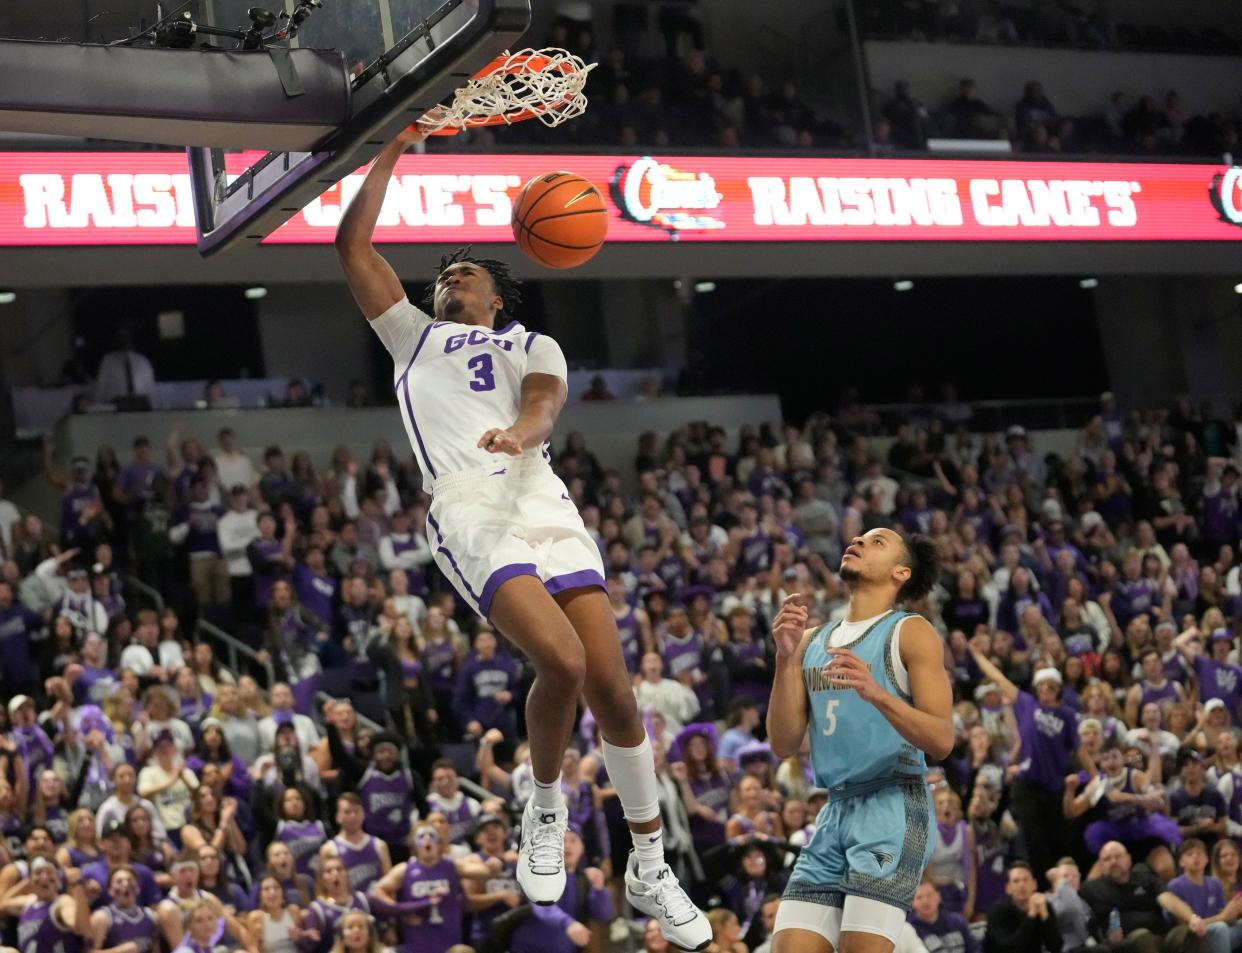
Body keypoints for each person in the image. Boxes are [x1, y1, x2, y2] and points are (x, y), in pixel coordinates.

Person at [335, 118, 709, 947]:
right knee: (564, 663)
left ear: (497, 293)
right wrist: (393, 146)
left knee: (614, 688)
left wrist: (525, 435)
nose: (446, 281)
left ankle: (649, 862)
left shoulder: (536, 341)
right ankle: (544, 806)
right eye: (441, 275)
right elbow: (351, 244)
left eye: (461, 273)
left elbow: (542, 403)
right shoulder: (411, 337)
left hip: (540, 493)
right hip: (469, 501)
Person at [766, 529, 951, 953]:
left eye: (877, 541)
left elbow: (942, 739)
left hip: (892, 803)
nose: (858, 540)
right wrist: (784, 658)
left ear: (900, 572)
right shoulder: (811, 640)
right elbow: (783, 743)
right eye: (860, 537)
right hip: (834, 809)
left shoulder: (910, 631)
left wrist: (878, 694)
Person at [0, 856, 92, 953]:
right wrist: (28, 882)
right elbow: (2, 906)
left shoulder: (63, 902)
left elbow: (83, 930)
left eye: (49, 873)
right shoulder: (28, 903)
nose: (44, 877)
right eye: (38, 873)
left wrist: (77, 886)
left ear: (58, 879)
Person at [981, 862, 1061, 953]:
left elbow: (1056, 946)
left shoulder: (1043, 905)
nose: (1021, 885)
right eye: (1016, 881)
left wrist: (1045, 915)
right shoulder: (997, 911)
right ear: (1008, 888)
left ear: (1034, 884)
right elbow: (1010, 948)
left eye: (1026, 880)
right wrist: (1031, 916)